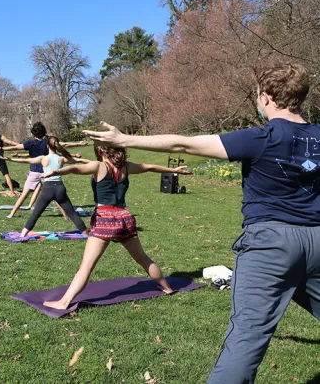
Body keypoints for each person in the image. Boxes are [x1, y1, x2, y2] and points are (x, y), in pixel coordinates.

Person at [82, 62, 320, 384]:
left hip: (270, 247)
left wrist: (124, 138)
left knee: (246, 342)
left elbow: (184, 144)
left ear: (265, 97)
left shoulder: (261, 137)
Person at [39, 143, 192, 312]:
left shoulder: (99, 166)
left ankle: (64, 302)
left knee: (87, 266)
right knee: (143, 258)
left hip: (104, 218)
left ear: (101, 151)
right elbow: (149, 167)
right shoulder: (126, 167)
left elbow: (76, 168)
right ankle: (167, 288)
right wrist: (174, 170)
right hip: (124, 217)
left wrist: (58, 172)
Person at [2, 136, 90, 237]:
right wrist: (94, 163)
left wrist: (10, 159)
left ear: (47, 145)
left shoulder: (43, 158)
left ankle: (22, 235)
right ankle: (86, 234)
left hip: (48, 189)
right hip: (60, 189)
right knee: (72, 214)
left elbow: (26, 160)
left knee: (35, 214)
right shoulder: (61, 159)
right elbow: (79, 160)